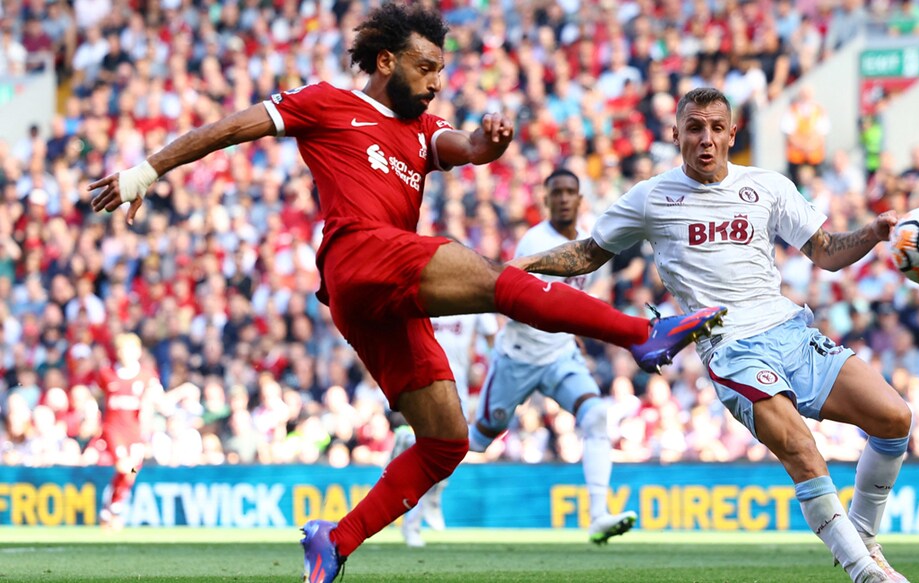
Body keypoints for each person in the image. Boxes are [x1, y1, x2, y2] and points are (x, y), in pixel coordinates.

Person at [88, 6, 725, 582]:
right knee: (497, 280)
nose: (435, 81)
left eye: (441, 71)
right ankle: (642, 335)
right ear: (387, 62)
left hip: (374, 298)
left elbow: (465, 146)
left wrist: (488, 145)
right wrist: (147, 171)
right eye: (426, 68)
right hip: (359, 254)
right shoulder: (327, 101)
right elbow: (233, 129)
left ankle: (334, 542)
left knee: (446, 441)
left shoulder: (423, 129)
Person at [511, 88, 913, 583]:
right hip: (729, 347)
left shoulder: (767, 186)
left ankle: (863, 539)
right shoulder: (651, 196)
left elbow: (826, 252)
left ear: (732, 135)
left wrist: (872, 232)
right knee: (801, 448)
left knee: (895, 418)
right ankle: (866, 574)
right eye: (695, 129)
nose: (706, 139)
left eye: (716, 129)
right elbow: (589, 253)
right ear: (675, 134)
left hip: (789, 329)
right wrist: (522, 264)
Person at [470, 169, 638, 545]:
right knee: (477, 441)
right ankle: (420, 500)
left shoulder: (592, 242)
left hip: (559, 354)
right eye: (556, 192)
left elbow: (574, 299)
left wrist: (573, 332)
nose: (563, 198)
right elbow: (521, 302)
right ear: (546, 200)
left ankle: (598, 516)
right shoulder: (534, 241)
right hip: (519, 356)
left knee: (595, 415)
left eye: (570, 192)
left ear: (581, 199)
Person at [397, 307, 498, 548]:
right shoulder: (425, 289)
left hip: (458, 384)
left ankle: (409, 447)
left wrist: (492, 375)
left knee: (456, 448)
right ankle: (413, 522)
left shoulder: (474, 294)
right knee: (434, 451)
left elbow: (494, 338)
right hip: (424, 379)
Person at [92, 333, 163, 531]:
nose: (125, 354)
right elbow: (94, 395)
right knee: (124, 466)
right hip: (114, 430)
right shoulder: (107, 374)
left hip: (136, 433)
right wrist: (91, 414)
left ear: (138, 351)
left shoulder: (147, 375)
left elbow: (157, 399)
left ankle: (112, 507)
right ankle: (114, 508)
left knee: (131, 472)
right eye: (121, 350)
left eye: (130, 349)